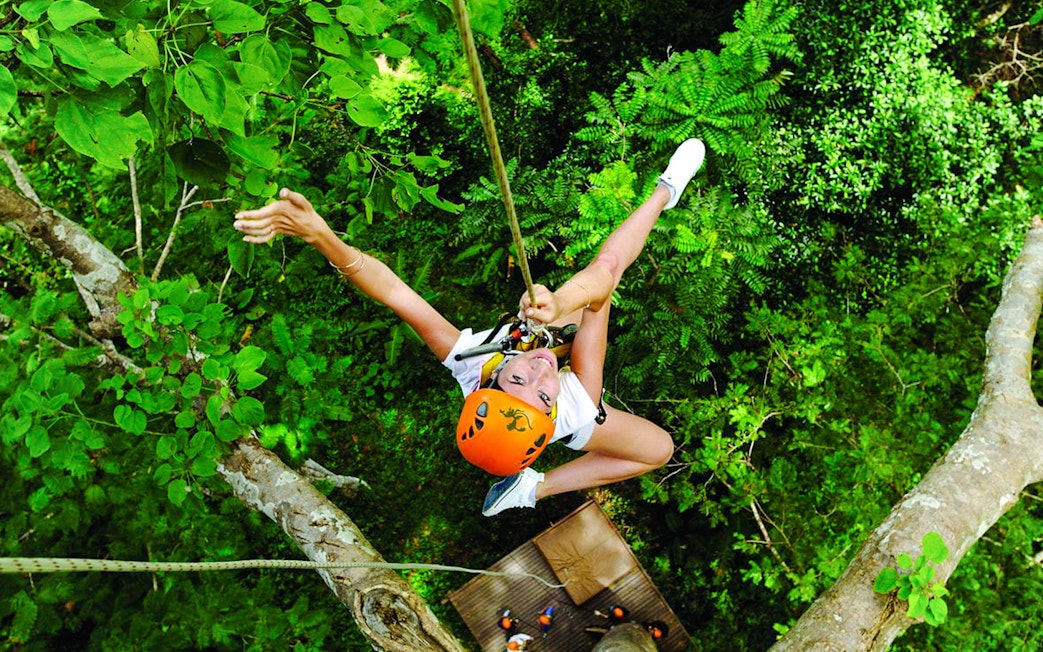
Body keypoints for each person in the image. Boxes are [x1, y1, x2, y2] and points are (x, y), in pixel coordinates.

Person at [233, 139, 706, 516]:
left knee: (562, 315)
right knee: (657, 449)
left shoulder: (469, 362)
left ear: (493, 377)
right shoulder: (575, 406)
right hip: (572, 407)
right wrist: (564, 300)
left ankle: (665, 189)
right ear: (550, 412)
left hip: (522, 368)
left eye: (518, 378)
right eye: (543, 394)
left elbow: (396, 293)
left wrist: (323, 237)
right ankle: (532, 489)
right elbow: (604, 283)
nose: (542, 373)